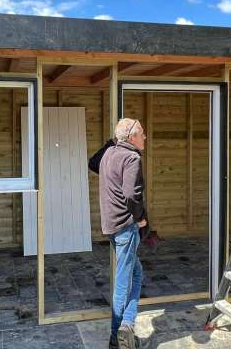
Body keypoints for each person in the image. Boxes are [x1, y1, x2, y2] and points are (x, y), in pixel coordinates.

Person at [99, 118, 147, 349]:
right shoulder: (132, 157)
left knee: (136, 274)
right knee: (123, 282)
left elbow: (94, 165)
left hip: (111, 226)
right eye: (142, 133)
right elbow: (130, 194)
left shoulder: (108, 154)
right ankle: (116, 337)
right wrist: (140, 219)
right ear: (132, 137)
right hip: (126, 228)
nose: (145, 137)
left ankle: (125, 326)